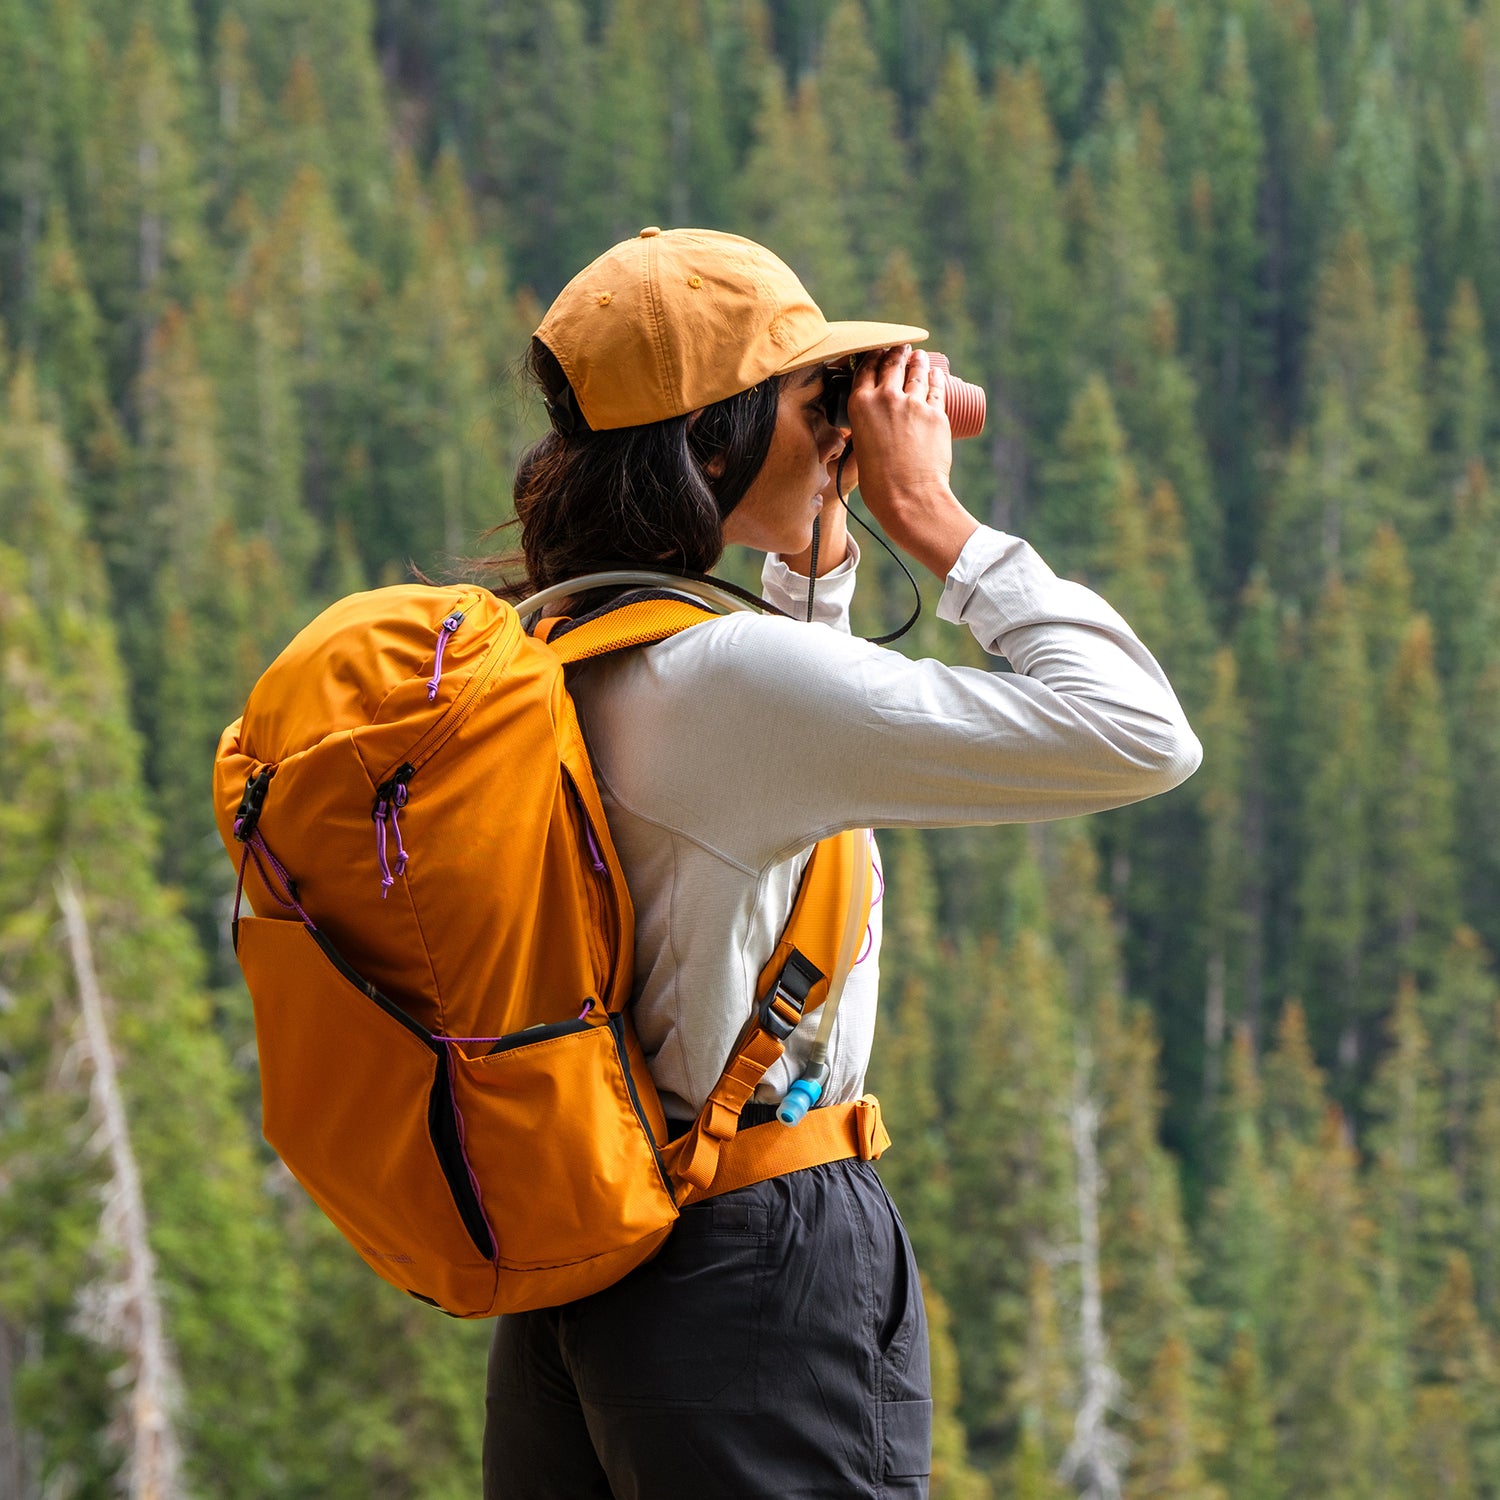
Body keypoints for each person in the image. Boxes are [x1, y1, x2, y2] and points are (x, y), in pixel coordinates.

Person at [482, 227, 1201, 1499]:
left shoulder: (562, 643)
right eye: (810, 397)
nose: (839, 426)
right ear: (713, 443)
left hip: (586, 1246)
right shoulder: (731, 680)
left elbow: (757, 805)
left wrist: (813, 546)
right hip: (753, 1262)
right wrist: (934, 519)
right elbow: (1141, 735)